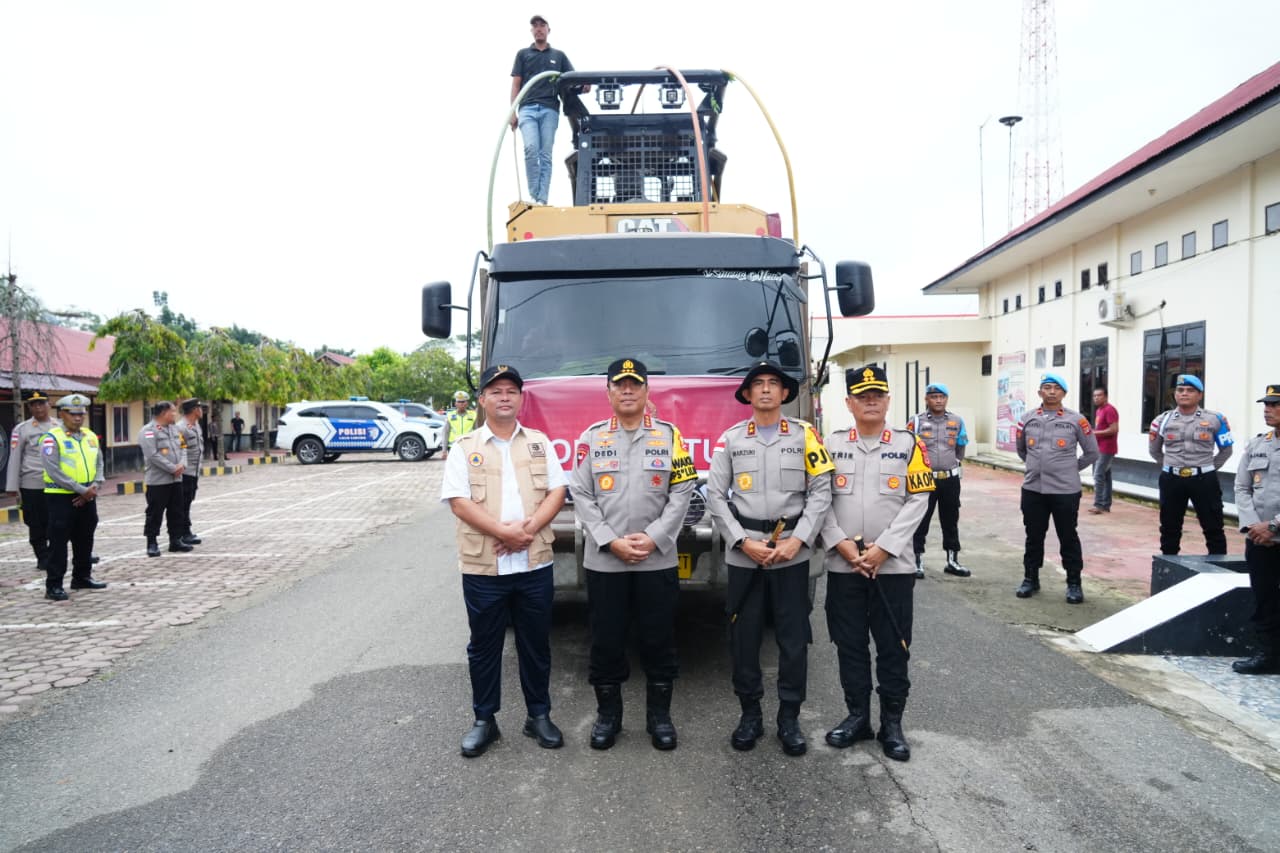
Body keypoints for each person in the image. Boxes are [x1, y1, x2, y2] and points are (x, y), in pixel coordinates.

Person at [707, 360, 834, 756]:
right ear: (746, 394)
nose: (765, 389)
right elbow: (715, 496)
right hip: (747, 554)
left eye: (773, 384)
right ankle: (750, 715)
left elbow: (821, 491)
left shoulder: (805, 436)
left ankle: (789, 718)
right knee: (743, 639)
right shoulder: (730, 440)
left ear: (784, 394)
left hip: (790, 553)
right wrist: (742, 541)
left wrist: (799, 540)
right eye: (757, 384)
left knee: (793, 640)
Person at [441, 364, 568, 757]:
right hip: (484, 567)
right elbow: (459, 503)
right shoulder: (465, 448)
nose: (504, 396)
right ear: (481, 400)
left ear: (521, 398)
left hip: (534, 562)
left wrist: (525, 532)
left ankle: (539, 716)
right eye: (495, 391)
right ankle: (484, 720)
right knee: (484, 646)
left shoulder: (540, 443)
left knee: (535, 643)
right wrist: (503, 532)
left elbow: (558, 490)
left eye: (512, 390)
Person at [570, 358, 696, 751]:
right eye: (619, 385)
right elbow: (582, 494)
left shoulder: (670, 436)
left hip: (655, 559)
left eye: (634, 384)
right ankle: (609, 717)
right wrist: (610, 540)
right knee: (606, 641)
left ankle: (660, 717)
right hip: (606, 561)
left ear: (646, 391)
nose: (627, 391)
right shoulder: (591, 438)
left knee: (659, 639)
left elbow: (683, 491)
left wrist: (655, 536)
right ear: (608, 392)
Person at [821, 365, 933, 761]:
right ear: (849, 402)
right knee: (849, 644)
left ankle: (892, 724)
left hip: (893, 569)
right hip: (844, 566)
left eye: (878, 395)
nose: (871, 401)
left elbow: (919, 499)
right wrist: (842, 545)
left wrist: (884, 548)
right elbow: (820, 500)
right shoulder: (830, 444)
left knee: (893, 646)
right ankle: (857, 717)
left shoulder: (909, 445)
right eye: (862, 395)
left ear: (888, 401)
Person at [1015, 373, 1099, 603]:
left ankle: (1074, 583)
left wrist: (1071, 468)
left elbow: (1092, 452)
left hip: (1065, 490)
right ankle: (1030, 579)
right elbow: (1022, 450)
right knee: (1033, 536)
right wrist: (1037, 466)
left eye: (1056, 388)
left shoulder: (1077, 420)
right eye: (1047, 387)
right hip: (1033, 489)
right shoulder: (1027, 419)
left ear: (1064, 393)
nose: (1051, 391)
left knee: (1068, 536)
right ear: (1039, 392)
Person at [1148, 374, 1234, 555]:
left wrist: (1207, 468)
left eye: (1190, 390)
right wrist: (1172, 466)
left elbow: (1226, 450)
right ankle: (1168, 568)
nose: (1184, 394)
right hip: (1172, 479)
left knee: (1214, 527)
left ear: (1200, 395)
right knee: (1169, 528)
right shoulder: (1162, 420)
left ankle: (1219, 571)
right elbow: (1155, 451)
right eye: (1180, 390)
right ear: (1175, 394)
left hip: (1204, 480)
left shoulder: (1215, 419)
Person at [1232, 383, 1280, 675]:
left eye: (1275, 405)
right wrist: (1253, 526)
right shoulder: (1257, 444)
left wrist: (1273, 526)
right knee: (1264, 598)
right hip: (1259, 539)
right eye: (1266, 404)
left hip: (1273, 531)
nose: (1268, 409)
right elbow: (1241, 487)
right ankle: (1267, 655)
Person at [40, 394, 106, 601]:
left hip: (88, 496)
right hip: (61, 497)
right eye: (72, 414)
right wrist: (80, 489)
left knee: (85, 538)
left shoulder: (90, 436)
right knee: (58, 542)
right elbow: (53, 471)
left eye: (81, 414)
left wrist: (94, 486)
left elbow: (99, 464)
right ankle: (54, 585)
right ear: (61, 414)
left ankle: (82, 576)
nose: (78, 418)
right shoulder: (52, 438)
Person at [509, 14, 577, 205]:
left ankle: (542, 199)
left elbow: (572, 78)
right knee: (531, 149)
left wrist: (584, 85)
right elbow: (516, 84)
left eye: (542, 25)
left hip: (549, 109)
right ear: (531, 31)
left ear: (548, 29)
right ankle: (534, 194)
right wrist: (512, 112)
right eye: (535, 26)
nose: (538, 28)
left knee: (545, 154)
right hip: (527, 109)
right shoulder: (523, 54)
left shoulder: (558, 56)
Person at [908, 382, 970, 578]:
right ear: (926, 399)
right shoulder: (915, 422)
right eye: (934, 397)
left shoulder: (957, 421)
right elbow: (908, 448)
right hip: (924, 479)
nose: (938, 400)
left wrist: (952, 464)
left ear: (946, 399)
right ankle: (917, 560)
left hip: (950, 480)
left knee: (950, 520)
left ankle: (952, 560)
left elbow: (960, 449)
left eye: (942, 397)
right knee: (920, 520)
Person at [6, 390, 56, 571]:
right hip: (31, 482)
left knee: (56, 521)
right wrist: (12, 486)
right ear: (29, 408)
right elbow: (15, 457)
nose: (38, 407)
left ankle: (53, 553)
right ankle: (42, 556)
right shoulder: (22, 429)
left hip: (55, 483)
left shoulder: (59, 427)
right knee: (35, 522)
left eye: (41, 403)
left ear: (48, 405)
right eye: (34, 404)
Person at [140, 401, 192, 557]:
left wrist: (182, 465)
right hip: (158, 480)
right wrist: (172, 468)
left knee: (176, 511)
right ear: (164, 413)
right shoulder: (148, 431)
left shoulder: (174, 429)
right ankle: (152, 542)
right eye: (173, 412)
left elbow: (183, 448)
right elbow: (152, 455)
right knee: (155, 513)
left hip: (176, 479)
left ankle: (175, 541)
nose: (175, 415)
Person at [1089, 386, 1120, 514]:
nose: (1096, 398)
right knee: (1105, 476)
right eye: (1094, 395)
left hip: (1106, 448)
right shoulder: (1099, 411)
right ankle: (1106, 504)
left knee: (1098, 475)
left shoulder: (1109, 410)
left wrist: (1094, 433)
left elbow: (1114, 429)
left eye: (1099, 395)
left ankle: (1099, 504)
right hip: (1099, 447)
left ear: (1105, 396)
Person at [178, 398, 204, 546]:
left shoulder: (196, 426)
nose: (201, 411)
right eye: (199, 408)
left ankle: (186, 531)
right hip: (185, 473)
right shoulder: (181, 427)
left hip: (194, 472)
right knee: (183, 503)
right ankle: (183, 532)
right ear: (194, 410)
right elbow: (179, 450)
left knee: (188, 502)